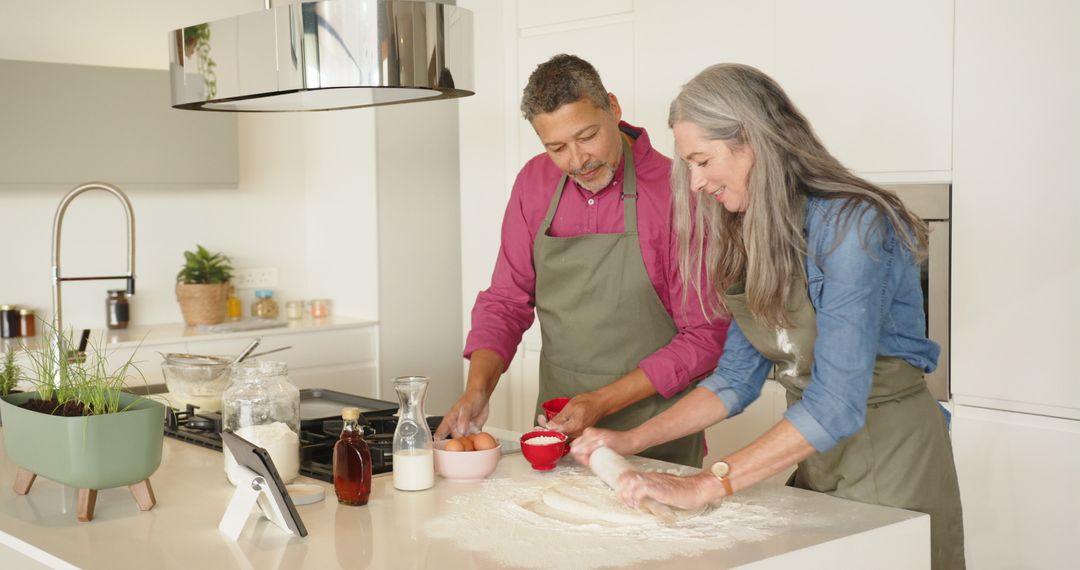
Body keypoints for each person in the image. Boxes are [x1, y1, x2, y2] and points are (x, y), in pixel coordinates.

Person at [570, 63, 965, 569]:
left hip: (894, 460)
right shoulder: (756, 230)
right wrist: (629, 440)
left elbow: (837, 404)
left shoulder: (852, 226)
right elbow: (734, 378)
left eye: (701, 160)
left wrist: (706, 484)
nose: (694, 183)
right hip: (818, 458)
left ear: (751, 141)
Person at [434, 54, 729, 467]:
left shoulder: (679, 192)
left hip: (656, 441)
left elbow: (704, 337)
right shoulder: (534, 183)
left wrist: (602, 402)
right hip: (559, 433)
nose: (577, 161)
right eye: (556, 147)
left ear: (613, 107)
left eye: (587, 136)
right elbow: (506, 300)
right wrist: (478, 389)